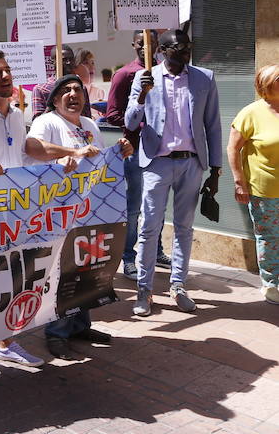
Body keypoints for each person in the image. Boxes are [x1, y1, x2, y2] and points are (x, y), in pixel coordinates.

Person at [0, 51, 103, 373]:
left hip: (17, 213)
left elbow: (28, 158)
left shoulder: (19, 117)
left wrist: (60, 162)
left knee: (13, 278)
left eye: (7, 71)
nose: (5, 77)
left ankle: (5, 343)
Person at [28, 75, 132, 359]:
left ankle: (79, 325)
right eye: (65, 90)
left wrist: (119, 153)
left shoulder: (89, 125)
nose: (73, 94)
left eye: (78, 89)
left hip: (89, 210)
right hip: (59, 210)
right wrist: (73, 151)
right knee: (62, 272)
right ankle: (57, 333)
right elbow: (33, 148)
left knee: (86, 268)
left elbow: (97, 162)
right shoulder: (47, 122)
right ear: (54, 99)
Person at [127, 28, 222, 317]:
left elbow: (213, 125)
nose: (185, 54)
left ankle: (178, 284)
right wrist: (142, 96)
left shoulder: (204, 78)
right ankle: (144, 289)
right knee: (149, 228)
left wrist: (215, 169)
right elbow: (131, 122)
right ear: (163, 51)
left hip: (191, 163)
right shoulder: (146, 77)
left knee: (184, 227)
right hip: (156, 163)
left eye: (188, 48)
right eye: (179, 50)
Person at [105, 31, 169, 281]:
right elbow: (112, 114)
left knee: (158, 204)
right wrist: (144, 125)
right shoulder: (125, 74)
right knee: (134, 207)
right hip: (134, 149)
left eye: (153, 45)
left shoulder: (165, 73)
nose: (148, 50)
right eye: (143, 45)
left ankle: (158, 250)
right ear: (135, 45)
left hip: (161, 151)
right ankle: (129, 257)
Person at [228, 65, 279, 304]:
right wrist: (240, 182)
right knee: (269, 237)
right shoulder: (250, 113)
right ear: (266, 85)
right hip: (265, 190)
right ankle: (271, 284)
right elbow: (233, 149)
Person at [31, 45, 91, 119]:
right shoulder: (41, 89)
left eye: (71, 59)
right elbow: (37, 122)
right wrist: (54, 100)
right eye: (64, 59)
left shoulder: (80, 88)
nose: (69, 62)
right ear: (53, 62)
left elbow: (87, 117)